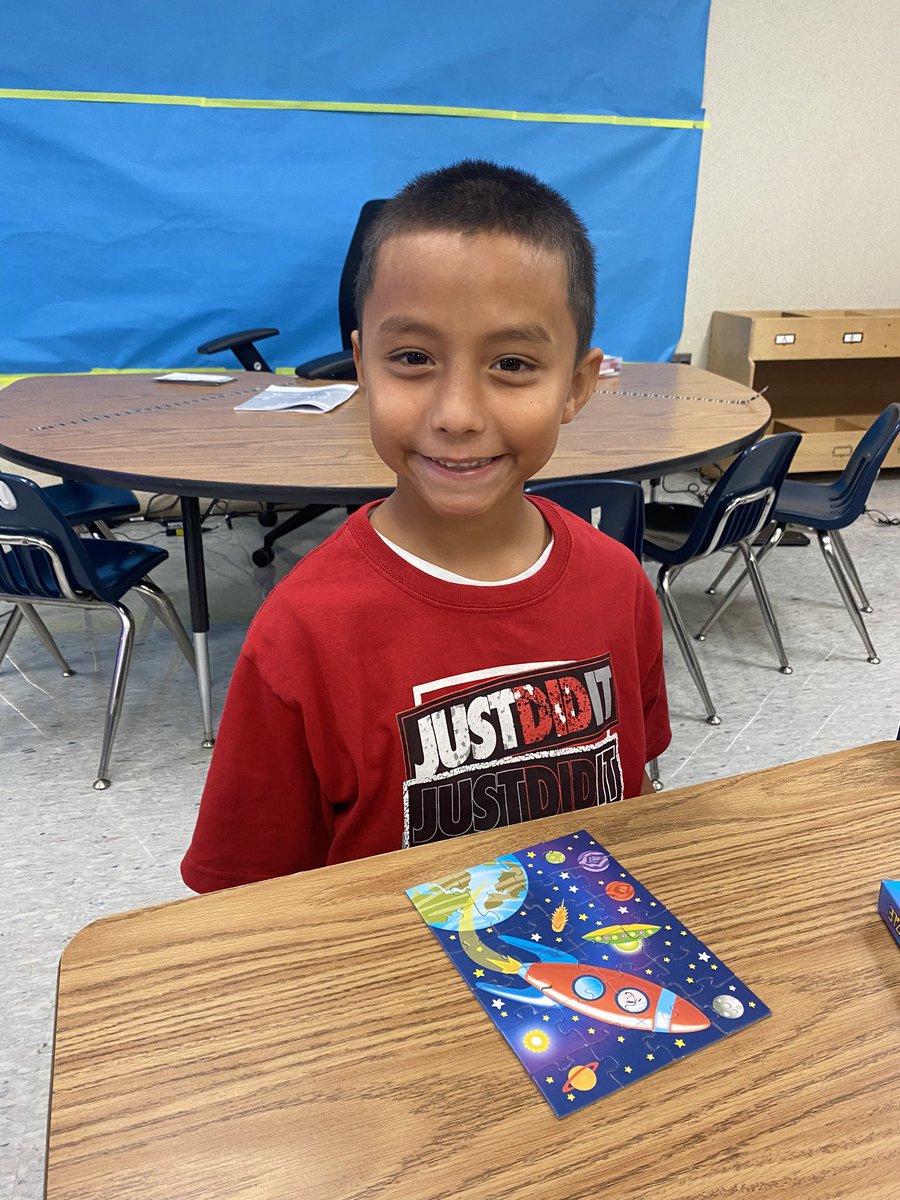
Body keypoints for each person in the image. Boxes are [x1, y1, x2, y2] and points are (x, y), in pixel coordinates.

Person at [181, 159, 670, 893]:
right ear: (362, 369)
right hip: (388, 992)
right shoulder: (302, 631)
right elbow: (246, 892)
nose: (457, 414)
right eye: (412, 358)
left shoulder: (617, 581)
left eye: (511, 362)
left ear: (575, 386)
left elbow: (637, 797)